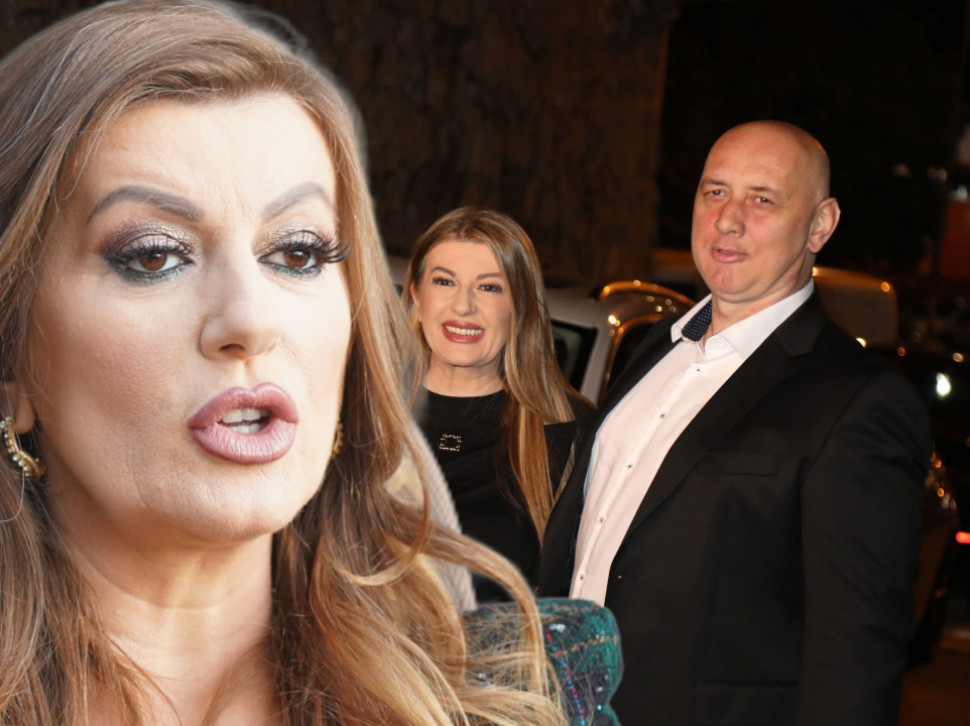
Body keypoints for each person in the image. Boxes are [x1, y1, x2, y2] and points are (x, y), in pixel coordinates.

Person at [0, 2, 621, 724]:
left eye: (297, 253)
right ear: (13, 361)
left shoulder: (512, 703)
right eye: (154, 256)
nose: (252, 320)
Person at [539, 120, 932, 726]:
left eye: (762, 199)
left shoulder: (858, 400)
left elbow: (854, 658)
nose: (727, 219)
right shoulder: (655, 347)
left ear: (820, 225)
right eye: (715, 191)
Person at [404, 207, 593, 602]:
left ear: (519, 304)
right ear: (417, 294)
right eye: (444, 281)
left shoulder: (568, 434)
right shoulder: (358, 412)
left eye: (489, 287)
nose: (463, 306)